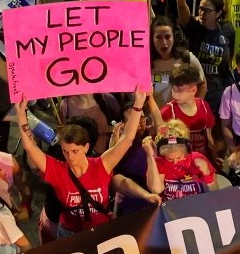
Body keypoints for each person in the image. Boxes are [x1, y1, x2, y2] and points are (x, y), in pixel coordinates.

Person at [14, 100, 147, 238]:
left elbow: (127, 138)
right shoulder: (58, 170)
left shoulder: (101, 165)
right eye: (65, 151)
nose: (70, 157)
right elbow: (30, 147)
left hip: (100, 231)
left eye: (75, 151)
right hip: (69, 234)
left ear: (86, 147)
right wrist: (21, 115)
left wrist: (138, 103)